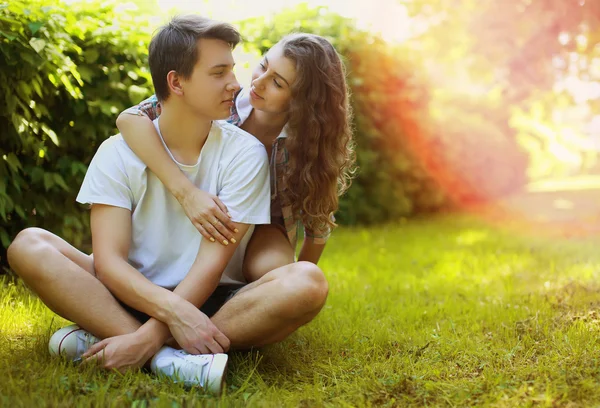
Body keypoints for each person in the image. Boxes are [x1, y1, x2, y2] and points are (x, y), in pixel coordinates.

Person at [6, 15, 327, 395]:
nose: (238, 84)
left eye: (233, 70)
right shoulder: (118, 151)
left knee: (307, 281)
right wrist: (170, 315)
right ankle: (170, 359)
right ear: (176, 82)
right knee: (28, 244)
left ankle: (121, 340)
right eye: (219, 72)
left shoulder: (246, 153)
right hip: (130, 293)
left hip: (212, 300)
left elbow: (212, 264)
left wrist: (157, 328)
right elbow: (108, 261)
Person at [116, 32, 356, 281]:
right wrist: (186, 193)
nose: (258, 82)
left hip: (265, 227)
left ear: (303, 102)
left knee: (275, 272)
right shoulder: (222, 98)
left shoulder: (309, 142)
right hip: (207, 206)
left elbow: (318, 221)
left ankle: (239, 305)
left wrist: (298, 283)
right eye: (263, 65)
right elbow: (129, 118)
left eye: (278, 83)